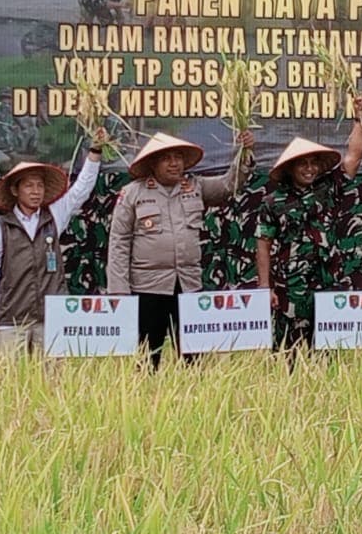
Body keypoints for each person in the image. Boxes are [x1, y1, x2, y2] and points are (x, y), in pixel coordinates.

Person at [107, 130, 255, 367]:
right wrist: (119, 290)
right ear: (153, 163)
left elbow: (229, 185)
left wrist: (244, 154)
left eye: (178, 157)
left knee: (192, 355)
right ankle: (147, 399)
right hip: (148, 287)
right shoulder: (133, 193)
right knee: (146, 355)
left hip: (188, 284)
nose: (174, 163)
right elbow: (119, 242)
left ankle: (191, 399)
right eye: (167, 158)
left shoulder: (195, 186)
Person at [256, 101, 362, 351]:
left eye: (313, 163)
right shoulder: (273, 202)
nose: (309, 169)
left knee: (327, 350)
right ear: (290, 168)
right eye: (302, 164)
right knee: (289, 352)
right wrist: (265, 287)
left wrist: (359, 119)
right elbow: (263, 244)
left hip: (328, 281)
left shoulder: (328, 187)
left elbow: (354, 156)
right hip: (290, 286)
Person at [0, 133, 104, 353]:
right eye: (29, 186)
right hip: (11, 318)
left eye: (39, 186)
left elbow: (80, 190)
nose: (35, 192)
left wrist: (95, 153)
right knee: (8, 382)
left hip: (50, 317)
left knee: (52, 382)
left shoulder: (53, 217)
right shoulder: (1, 226)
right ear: (16, 190)